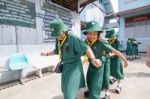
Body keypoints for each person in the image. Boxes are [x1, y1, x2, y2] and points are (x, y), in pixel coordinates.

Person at [40, 19, 102, 99]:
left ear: (63, 31)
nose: (57, 36)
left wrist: (93, 59)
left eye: (58, 34)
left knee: (69, 94)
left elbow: (86, 48)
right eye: (56, 35)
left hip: (74, 67)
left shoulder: (73, 38)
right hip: (65, 67)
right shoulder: (58, 39)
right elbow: (57, 50)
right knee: (65, 89)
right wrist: (47, 54)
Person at [83, 21, 128, 99]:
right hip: (92, 63)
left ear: (98, 34)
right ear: (86, 34)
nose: (92, 36)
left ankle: (107, 93)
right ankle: (92, 90)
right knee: (90, 79)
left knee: (105, 77)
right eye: (89, 33)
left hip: (104, 61)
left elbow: (115, 51)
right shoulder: (86, 42)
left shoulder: (102, 43)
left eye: (94, 34)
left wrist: (125, 60)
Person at [106, 29, 128, 94]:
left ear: (115, 36)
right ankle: (111, 79)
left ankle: (119, 85)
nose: (110, 38)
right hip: (109, 60)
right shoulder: (107, 42)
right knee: (109, 71)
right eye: (109, 37)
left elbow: (118, 51)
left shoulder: (117, 42)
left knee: (118, 72)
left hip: (116, 60)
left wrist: (111, 54)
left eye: (111, 37)